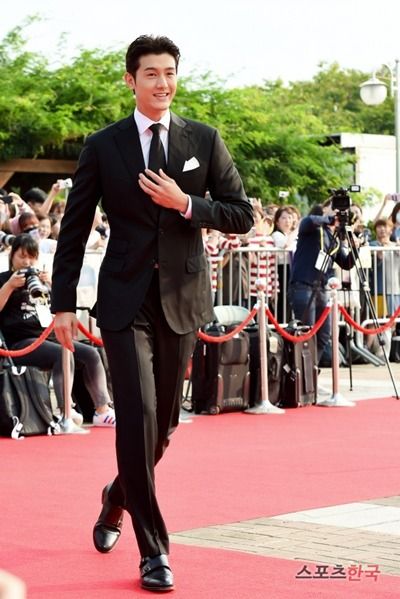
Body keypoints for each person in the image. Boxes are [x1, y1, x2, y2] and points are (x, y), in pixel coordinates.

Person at [51, 34, 253, 592]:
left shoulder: (203, 140)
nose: (162, 83)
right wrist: (62, 303)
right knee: (137, 416)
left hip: (182, 301)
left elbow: (241, 214)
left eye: (169, 73)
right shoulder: (103, 145)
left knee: (162, 428)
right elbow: (73, 229)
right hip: (124, 300)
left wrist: (186, 204)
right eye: (151, 74)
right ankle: (154, 551)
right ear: (130, 80)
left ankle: (118, 494)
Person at [0, 234, 115, 427]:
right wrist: (10, 285)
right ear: (12, 256)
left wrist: (51, 285)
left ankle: (102, 411)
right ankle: (66, 411)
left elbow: (59, 309)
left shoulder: (41, 280)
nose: (27, 262)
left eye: (31, 257)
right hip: (22, 342)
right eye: (22, 256)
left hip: (50, 338)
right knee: (62, 354)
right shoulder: (4, 279)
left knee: (91, 354)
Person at [288, 200, 356, 364]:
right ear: (325, 209)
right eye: (333, 209)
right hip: (303, 285)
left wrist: (355, 247)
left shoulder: (334, 239)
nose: (338, 214)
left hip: (322, 289)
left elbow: (346, 263)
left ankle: (312, 369)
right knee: (307, 332)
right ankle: (303, 372)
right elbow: (309, 221)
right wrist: (330, 219)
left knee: (324, 335)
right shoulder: (312, 228)